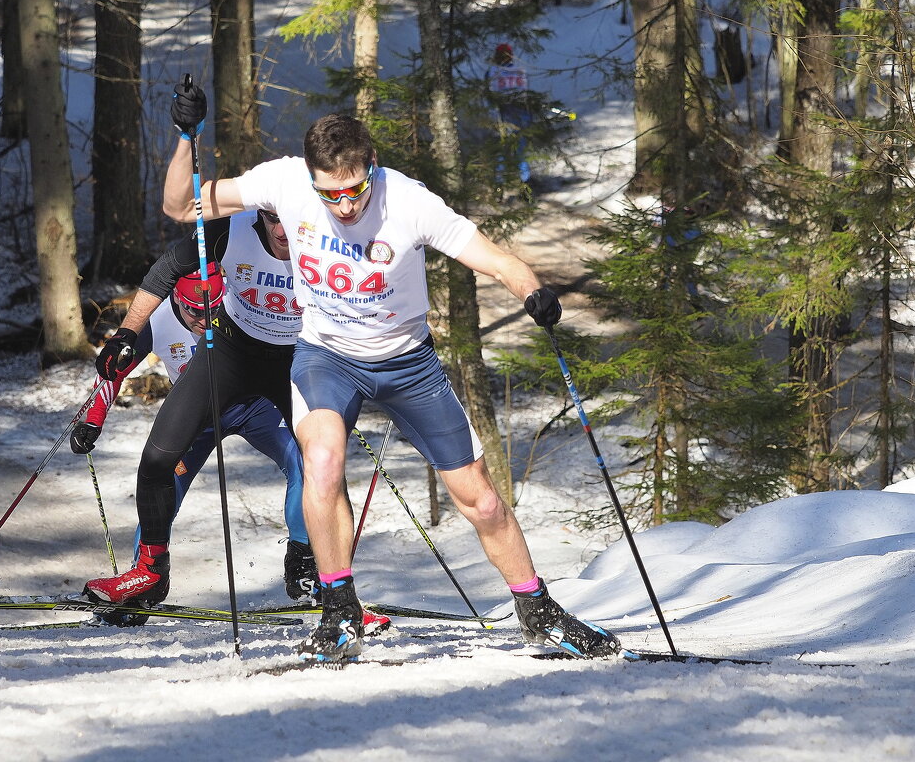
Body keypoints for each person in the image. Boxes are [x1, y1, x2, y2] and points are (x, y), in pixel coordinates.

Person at [179, 100, 621, 662]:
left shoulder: (409, 201)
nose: (343, 204)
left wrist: (531, 290)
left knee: (480, 500)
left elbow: (493, 258)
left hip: (408, 363)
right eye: (328, 194)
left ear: (373, 167)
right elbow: (181, 203)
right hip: (326, 357)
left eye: (354, 190)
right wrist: (184, 136)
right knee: (321, 461)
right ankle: (338, 610)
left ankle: (536, 610)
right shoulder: (285, 181)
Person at [85, 85, 390, 634]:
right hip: (229, 356)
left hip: (294, 363)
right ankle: (147, 575)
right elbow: (166, 266)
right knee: (157, 462)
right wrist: (129, 332)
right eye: (270, 220)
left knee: (318, 464)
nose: (280, 232)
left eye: (286, 221)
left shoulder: (322, 236)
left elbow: (377, 280)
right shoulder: (230, 233)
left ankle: (318, 574)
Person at [71, 264, 318, 603]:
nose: (204, 321)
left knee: (308, 462)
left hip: (257, 408)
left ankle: (304, 565)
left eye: (213, 309)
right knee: (162, 485)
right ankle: (145, 581)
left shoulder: (240, 295)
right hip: (197, 418)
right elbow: (117, 365)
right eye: (194, 312)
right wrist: (93, 418)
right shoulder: (157, 317)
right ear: (176, 298)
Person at [487, 42, 532, 186]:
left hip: (504, 115)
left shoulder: (493, 72)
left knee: (502, 149)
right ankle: (524, 184)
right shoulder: (520, 71)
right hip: (519, 115)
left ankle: (501, 185)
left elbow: (489, 97)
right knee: (519, 150)